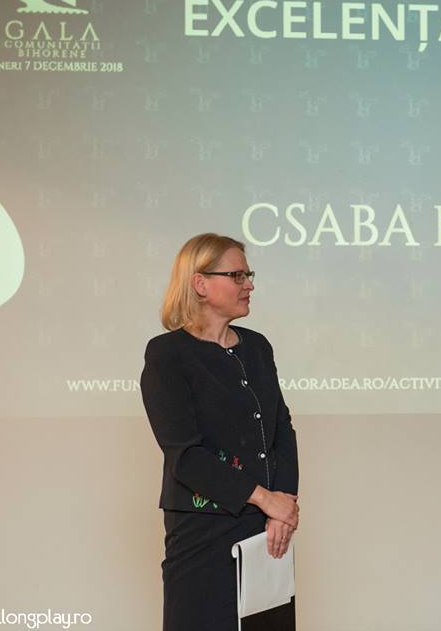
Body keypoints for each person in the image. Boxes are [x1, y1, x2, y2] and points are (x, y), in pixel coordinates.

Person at [141, 233, 300, 631]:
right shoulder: (168, 354)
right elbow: (185, 456)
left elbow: (281, 430)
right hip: (203, 534)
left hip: (265, 530)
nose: (249, 285)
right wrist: (266, 499)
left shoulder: (257, 347)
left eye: (248, 275)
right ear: (200, 283)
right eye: (237, 275)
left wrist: (283, 507)